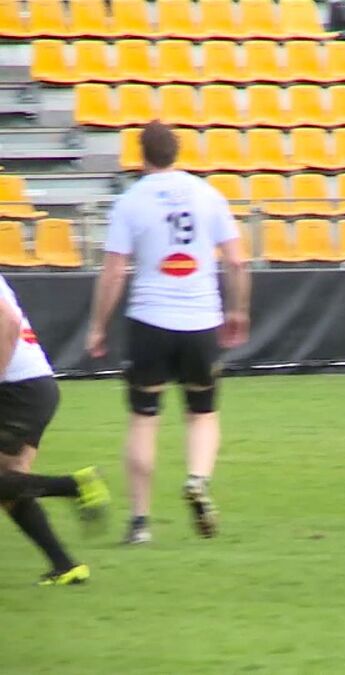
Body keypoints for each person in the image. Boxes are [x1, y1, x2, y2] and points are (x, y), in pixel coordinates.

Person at [86, 120, 250, 544]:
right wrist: (238, 311)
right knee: (202, 413)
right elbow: (236, 261)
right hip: (200, 321)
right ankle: (197, 479)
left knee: (144, 419)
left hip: (150, 320)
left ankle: (140, 522)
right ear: (177, 152)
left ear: (141, 156)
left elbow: (113, 271)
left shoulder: (131, 201)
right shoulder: (208, 195)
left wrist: (98, 326)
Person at [0, 273, 110, 585]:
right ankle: (65, 566)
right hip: (34, 386)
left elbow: (7, 318)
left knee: (7, 482)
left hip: (17, 390)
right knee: (10, 485)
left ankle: (74, 486)